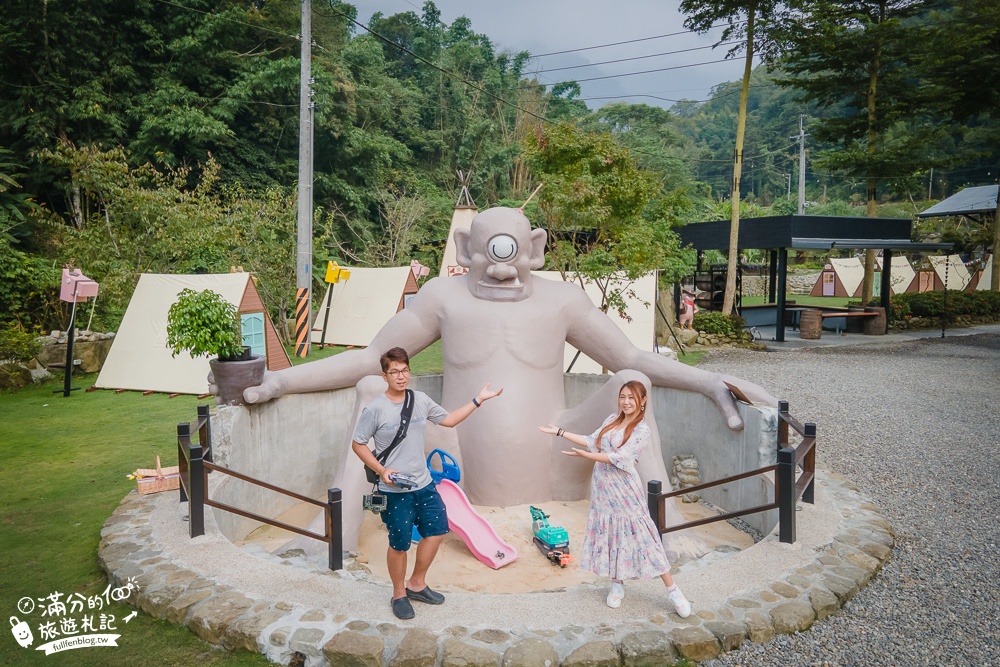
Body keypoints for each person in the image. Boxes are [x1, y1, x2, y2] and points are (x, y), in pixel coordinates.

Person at [238, 206, 775, 555]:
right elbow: (373, 357)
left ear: (536, 249)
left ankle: (667, 521)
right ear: (466, 249)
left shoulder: (562, 301)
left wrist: (707, 380)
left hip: (557, 455)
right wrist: (283, 382)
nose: (501, 270)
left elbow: (630, 354)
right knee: (373, 389)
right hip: (453, 453)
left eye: (513, 255)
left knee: (632, 378)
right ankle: (336, 532)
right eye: (489, 255)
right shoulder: (442, 299)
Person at [352, 347, 502, 620]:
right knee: (399, 543)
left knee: (437, 530)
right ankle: (399, 593)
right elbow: (358, 443)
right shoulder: (375, 409)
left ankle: (417, 583)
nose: (401, 376)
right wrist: (381, 469)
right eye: (394, 372)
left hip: (424, 484)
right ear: (384, 376)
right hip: (394, 489)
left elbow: (449, 420)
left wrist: (478, 400)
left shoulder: (419, 400)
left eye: (405, 370)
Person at [539, 380, 691, 617]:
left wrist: (587, 456)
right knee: (612, 536)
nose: (626, 402)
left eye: (632, 398)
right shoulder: (612, 420)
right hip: (603, 490)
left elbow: (621, 457)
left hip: (625, 490)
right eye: (623, 396)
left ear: (642, 402)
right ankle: (617, 584)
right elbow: (592, 440)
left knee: (645, 537)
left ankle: (673, 590)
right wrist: (559, 432)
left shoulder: (642, 429)